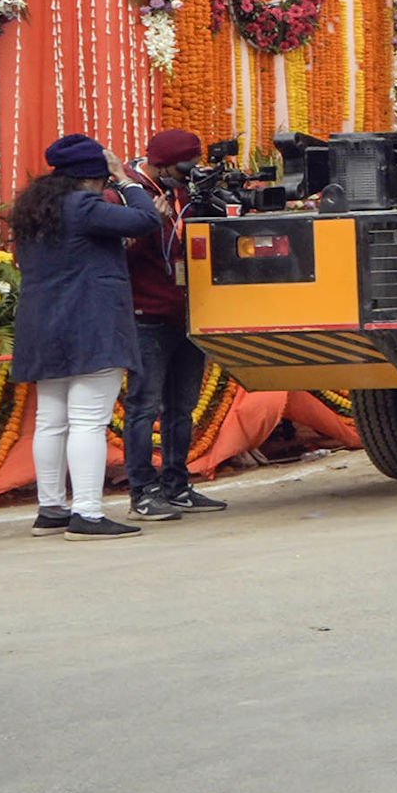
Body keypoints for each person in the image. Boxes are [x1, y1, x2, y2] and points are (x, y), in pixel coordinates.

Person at [9, 135, 160, 540]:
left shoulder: (34, 208)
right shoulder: (84, 205)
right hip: (91, 325)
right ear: (96, 176)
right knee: (88, 422)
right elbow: (148, 221)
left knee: (51, 422)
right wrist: (126, 180)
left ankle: (52, 509)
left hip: (42, 326)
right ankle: (88, 514)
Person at [118, 132, 224, 524]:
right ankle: (142, 493)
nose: (190, 174)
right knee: (144, 407)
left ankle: (177, 485)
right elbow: (121, 252)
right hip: (146, 316)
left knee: (182, 406)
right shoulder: (130, 192)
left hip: (186, 315)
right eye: (185, 167)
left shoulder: (186, 193)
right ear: (161, 164)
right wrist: (150, 222)